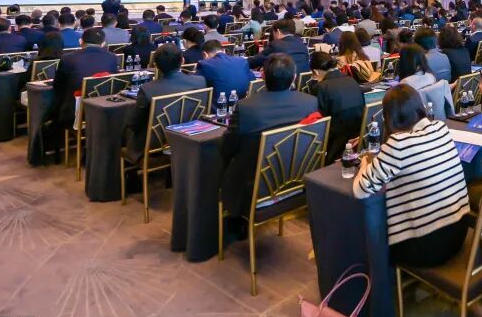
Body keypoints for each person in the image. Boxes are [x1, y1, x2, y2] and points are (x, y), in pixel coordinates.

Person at [352, 84, 470, 266]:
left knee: (377, 238)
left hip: (429, 247)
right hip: (458, 232)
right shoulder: (441, 128)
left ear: (388, 117)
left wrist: (365, 165)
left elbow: (360, 190)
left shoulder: (398, 144)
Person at [221, 54, 318, 217]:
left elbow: (228, 148)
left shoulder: (246, 107)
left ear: (263, 76)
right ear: (294, 77)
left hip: (254, 186)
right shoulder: (310, 102)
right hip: (296, 179)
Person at [127, 44, 207, 149]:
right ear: (182, 61)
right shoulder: (200, 81)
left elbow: (136, 123)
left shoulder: (147, 89)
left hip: (156, 144)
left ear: (156, 65)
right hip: (192, 137)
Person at [49, 28, 119, 130]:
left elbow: (58, 86)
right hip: (104, 106)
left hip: (76, 110)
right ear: (103, 43)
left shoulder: (68, 58)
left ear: (81, 41)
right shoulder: (112, 57)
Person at [310, 51, 365, 162]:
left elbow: (320, 120)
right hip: (357, 141)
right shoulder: (351, 80)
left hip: (334, 146)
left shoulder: (321, 87)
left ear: (315, 72)